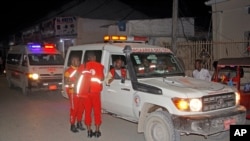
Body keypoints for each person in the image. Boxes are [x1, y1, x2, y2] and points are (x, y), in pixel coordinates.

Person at [83, 52, 104, 138]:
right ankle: (97, 131)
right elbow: (102, 78)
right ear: (94, 57)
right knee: (97, 112)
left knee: (87, 112)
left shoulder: (84, 66)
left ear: (88, 58)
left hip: (86, 93)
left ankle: (88, 131)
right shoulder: (100, 66)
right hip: (96, 93)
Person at [64, 56, 86, 133]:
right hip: (73, 92)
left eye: (79, 61)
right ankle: (72, 125)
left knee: (81, 109)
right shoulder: (68, 71)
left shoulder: (80, 69)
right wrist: (76, 81)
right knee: (74, 109)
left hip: (80, 92)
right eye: (77, 60)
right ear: (73, 61)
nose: (79, 62)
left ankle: (79, 123)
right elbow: (66, 82)